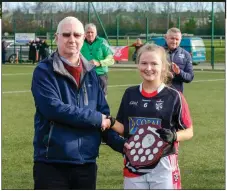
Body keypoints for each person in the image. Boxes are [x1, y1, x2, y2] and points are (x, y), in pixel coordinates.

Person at [31, 16, 126, 190]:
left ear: (83, 38)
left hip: (86, 163)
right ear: (57, 37)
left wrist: (125, 147)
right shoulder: (44, 71)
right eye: (66, 34)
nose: (72, 39)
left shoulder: (91, 73)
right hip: (51, 163)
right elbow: (54, 109)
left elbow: (104, 115)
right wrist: (98, 119)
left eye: (77, 35)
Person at [106, 43, 193, 189]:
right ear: (138, 65)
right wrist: (110, 122)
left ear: (163, 67)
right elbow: (124, 128)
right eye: (144, 63)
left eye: (154, 63)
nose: (148, 68)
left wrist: (174, 136)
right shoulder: (130, 94)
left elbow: (189, 131)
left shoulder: (174, 96)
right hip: (133, 165)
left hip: (164, 167)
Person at [81, 23, 114, 97]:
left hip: (100, 76)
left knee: (102, 100)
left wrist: (99, 63)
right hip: (85, 75)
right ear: (84, 33)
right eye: (88, 32)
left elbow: (111, 59)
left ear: (96, 33)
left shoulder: (102, 42)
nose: (90, 34)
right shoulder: (80, 42)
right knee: (85, 100)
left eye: (92, 32)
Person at [164, 27, 194, 93]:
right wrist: (164, 74)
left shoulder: (186, 55)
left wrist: (179, 73)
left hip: (177, 95)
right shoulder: (157, 52)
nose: (174, 41)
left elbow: (190, 77)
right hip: (158, 93)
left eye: (177, 39)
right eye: (172, 38)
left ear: (181, 39)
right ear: (166, 37)